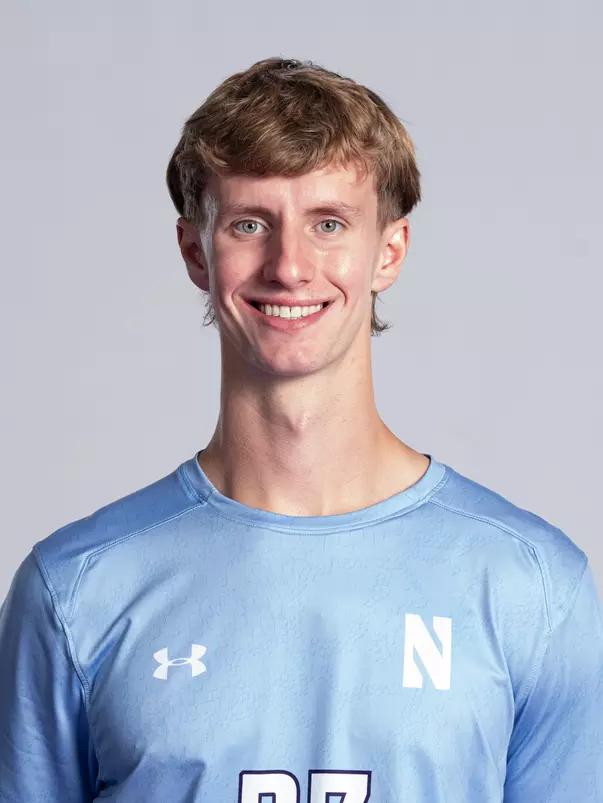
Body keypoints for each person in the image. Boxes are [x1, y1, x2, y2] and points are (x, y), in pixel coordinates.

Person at [1, 57, 601, 803]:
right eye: (251, 224)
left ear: (389, 250)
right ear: (196, 251)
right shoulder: (77, 586)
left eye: (328, 223)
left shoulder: (529, 586)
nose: (289, 266)